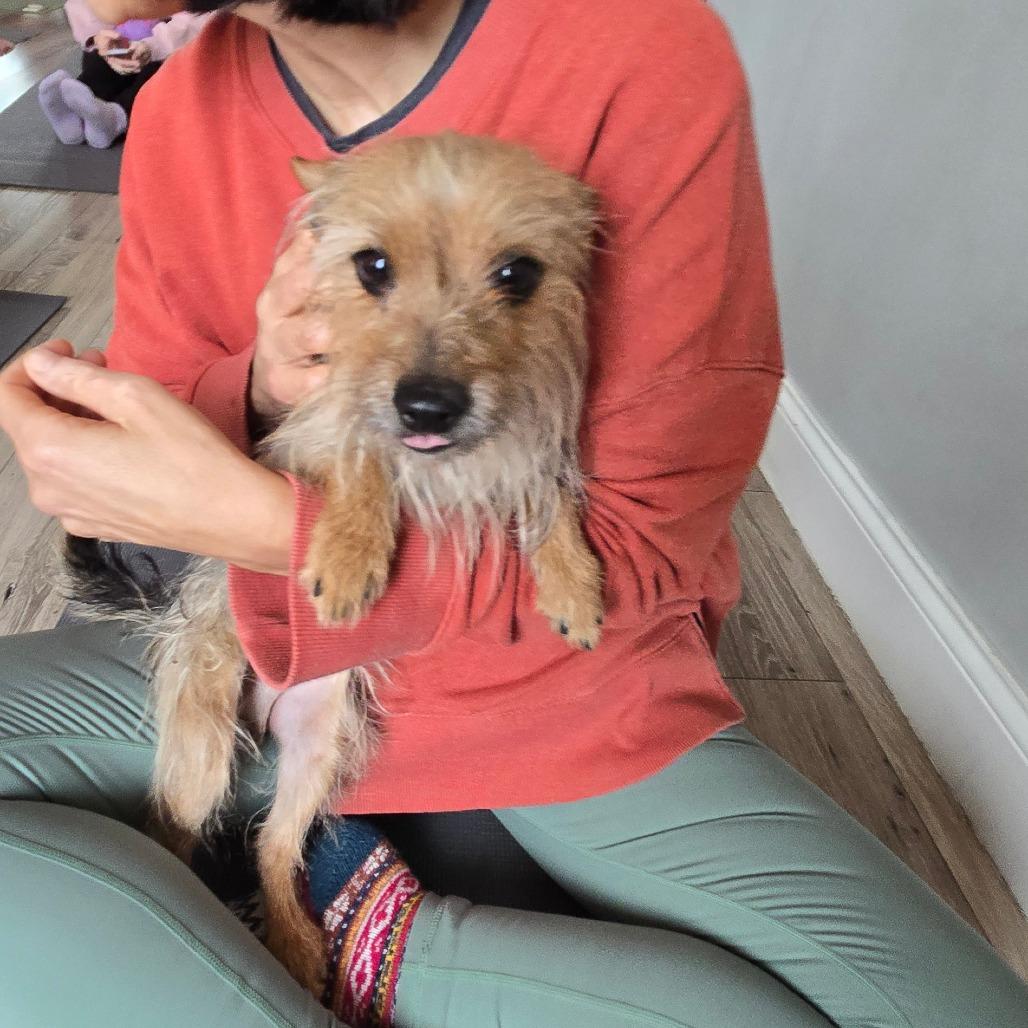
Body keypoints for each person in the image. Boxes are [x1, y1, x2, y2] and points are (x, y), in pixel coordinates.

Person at [0, 1, 1025, 1026]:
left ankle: (364, 939)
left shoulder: (633, 49)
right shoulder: (183, 110)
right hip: (266, 645)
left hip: (552, 691)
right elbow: (154, 464)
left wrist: (282, 530)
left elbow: (630, 558)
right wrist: (259, 388)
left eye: (511, 275)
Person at [36, 0, 209, 147]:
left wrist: (154, 46)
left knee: (160, 73)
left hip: (170, 43)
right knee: (98, 60)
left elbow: (198, 18)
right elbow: (85, 5)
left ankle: (117, 116)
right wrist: (96, 36)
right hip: (122, 38)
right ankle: (76, 115)